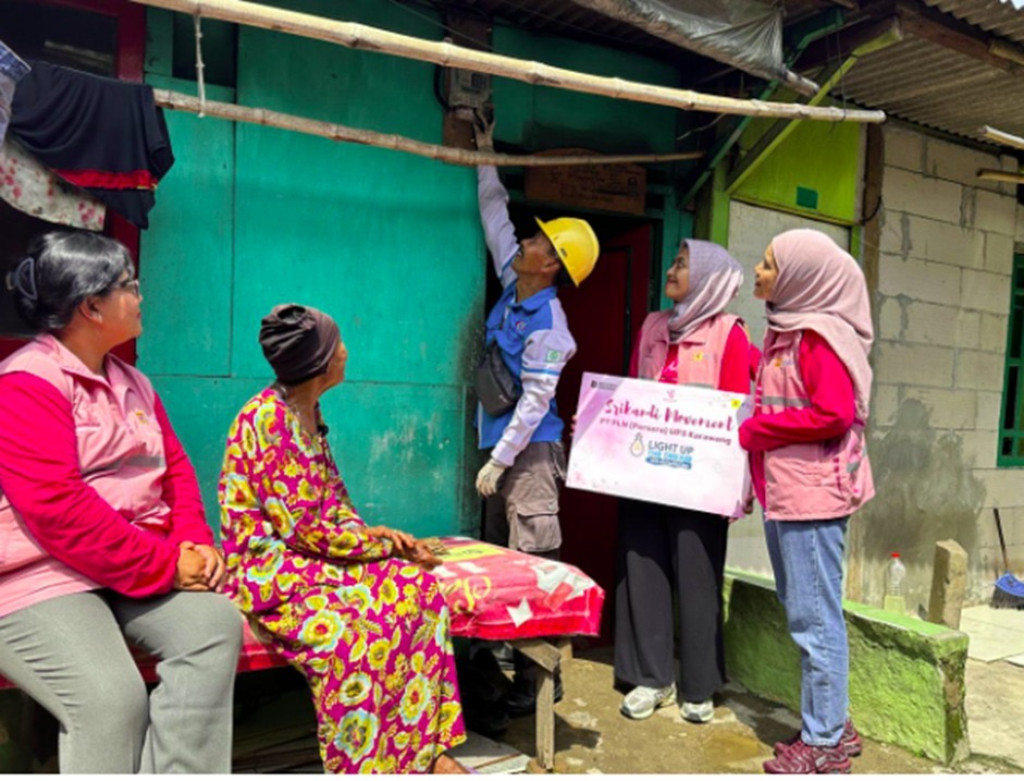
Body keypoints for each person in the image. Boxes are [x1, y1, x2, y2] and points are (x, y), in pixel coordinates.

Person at [0, 231, 241, 773]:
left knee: (211, 627)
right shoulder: (26, 384)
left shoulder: (133, 381)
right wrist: (166, 564)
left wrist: (194, 543)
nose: (141, 295)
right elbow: (57, 511)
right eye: (129, 286)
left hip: (128, 564)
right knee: (110, 700)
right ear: (91, 306)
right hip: (39, 573)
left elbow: (175, 471)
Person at [219, 304, 467, 775]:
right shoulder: (268, 420)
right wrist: (379, 548)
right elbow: (301, 529)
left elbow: (331, 503)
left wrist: (373, 534)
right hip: (273, 567)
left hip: (314, 555)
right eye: (338, 344)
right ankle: (364, 763)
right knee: (354, 632)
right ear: (321, 361)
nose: (347, 351)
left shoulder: (309, 410)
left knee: (420, 593)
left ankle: (427, 750)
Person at [470, 117, 601, 716]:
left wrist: (499, 460)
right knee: (501, 562)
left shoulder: (552, 328)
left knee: (534, 566)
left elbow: (535, 402)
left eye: (539, 243)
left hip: (531, 460)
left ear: (551, 267)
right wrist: (484, 152)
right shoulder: (510, 284)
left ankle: (539, 685)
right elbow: (496, 217)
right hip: (503, 458)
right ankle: (509, 674)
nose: (526, 241)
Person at [739, 229, 874, 774]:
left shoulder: (816, 337)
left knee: (815, 623)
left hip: (813, 498)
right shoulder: (788, 333)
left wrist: (760, 430)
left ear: (800, 278)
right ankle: (833, 725)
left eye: (769, 264)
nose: (758, 270)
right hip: (791, 494)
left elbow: (834, 413)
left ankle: (824, 745)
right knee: (808, 615)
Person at [614, 239, 752, 725]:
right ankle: (651, 678)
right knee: (642, 566)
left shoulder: (729, 334)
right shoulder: (654, 326)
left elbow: (742, 415)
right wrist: (602, 429)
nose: (671, 269)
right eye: (672, 260)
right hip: (645, 473)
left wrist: (740, 488)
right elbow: (631, 390)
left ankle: (699, 685)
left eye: (682, 263)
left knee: (698, 576)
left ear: (711, 279)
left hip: (701, 484)